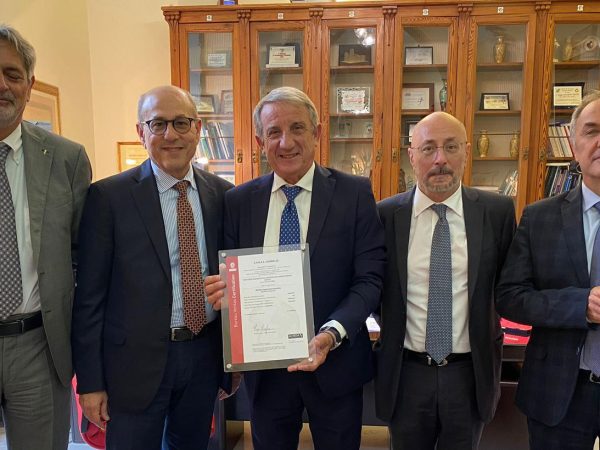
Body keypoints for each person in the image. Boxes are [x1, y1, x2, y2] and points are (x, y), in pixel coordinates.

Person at [205, 86, 385, 450]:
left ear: (317, 133)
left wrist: (331, 334)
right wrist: (226, 294)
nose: (286, 142)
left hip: (336, 365)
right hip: (266, 373)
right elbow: (230, 280)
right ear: (260, 142)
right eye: (274, 132)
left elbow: (369, 279)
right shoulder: (238, 202)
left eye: (297, 128)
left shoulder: (354, 194)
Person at [71, 85, 233, 449]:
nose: (170, 135)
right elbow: (89, 299)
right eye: (158, 124)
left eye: (181, 123)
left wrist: (232, 363)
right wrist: (91, 383)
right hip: (132, 366)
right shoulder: (108, 198)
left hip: (202, 357)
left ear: (198, 129)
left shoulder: (223, 195)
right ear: (140, 132)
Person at [375, 112, 516, 450]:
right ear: (412, 156)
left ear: (466, 151)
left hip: (469, 373)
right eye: (428, 149)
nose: (440, 159)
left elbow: (508, 287)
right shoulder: (384, 215)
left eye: (451, 147)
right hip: (406, 374)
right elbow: (374, 288)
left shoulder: (497, 212)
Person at [0, 25, 92, 450]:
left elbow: (82, 257)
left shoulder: (66, 158)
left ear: (29, 84)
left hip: (38, 346)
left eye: (12, 74)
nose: (3, 85)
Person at [496, 90, 600, 450]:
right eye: (592, 130)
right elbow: (510, 297)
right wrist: (580, 305)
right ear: (573, 144)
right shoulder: (540, 217)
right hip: (560, 393)